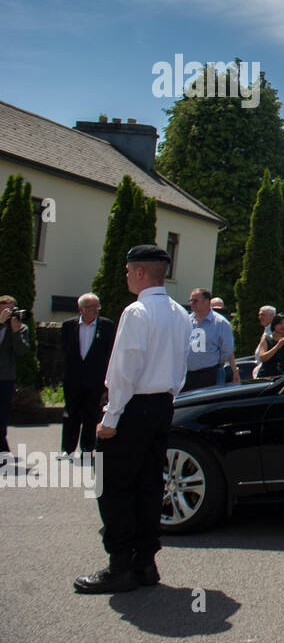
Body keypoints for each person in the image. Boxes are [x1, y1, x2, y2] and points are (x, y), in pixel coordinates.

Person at [73, 244, 191, 593]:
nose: (126, 275)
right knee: (149, 485)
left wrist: (111, 417)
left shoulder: (137, 312)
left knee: (112, 486)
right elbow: (181, 366)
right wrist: (168, 398)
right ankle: (145, 563)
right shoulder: (180, 313)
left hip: (133, 408)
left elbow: (124, 370)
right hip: (161, 406)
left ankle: (120, 564)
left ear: (140, 272)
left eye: (128, 270)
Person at [60, 293, 116, 461]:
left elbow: (110, 353)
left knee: (92, 415)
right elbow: (65, 352)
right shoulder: (69, 326)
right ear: (81, 309)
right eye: (91, 307)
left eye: (97, 306)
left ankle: (87, 449)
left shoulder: (106, 326)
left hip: (96, 380)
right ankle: (67, 449)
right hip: (73, 379)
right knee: (71, 414)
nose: (95, 310)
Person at [184, 288, 239, 391]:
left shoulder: (220, 323)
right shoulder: (187, 320)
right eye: (190, 300)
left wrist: (216, 362)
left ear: (206, 302)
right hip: (186, 375)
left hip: (208, 374)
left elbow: (227, 350)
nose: (191, 303)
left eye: (195, 300)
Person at [0, 294, 31, 464]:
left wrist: (15, 331)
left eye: (12, 309)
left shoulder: (21, 328)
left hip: (5, 378)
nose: (9, 312)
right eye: (5, 309)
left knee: (2, 416)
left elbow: (21, 351)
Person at [255, 313, 284, 378]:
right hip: (266, 374)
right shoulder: (267, 339)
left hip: (281, 375)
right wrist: (278, 346)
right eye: (280, 323)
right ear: (274, 324)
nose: (283, 326)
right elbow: (263, 358)